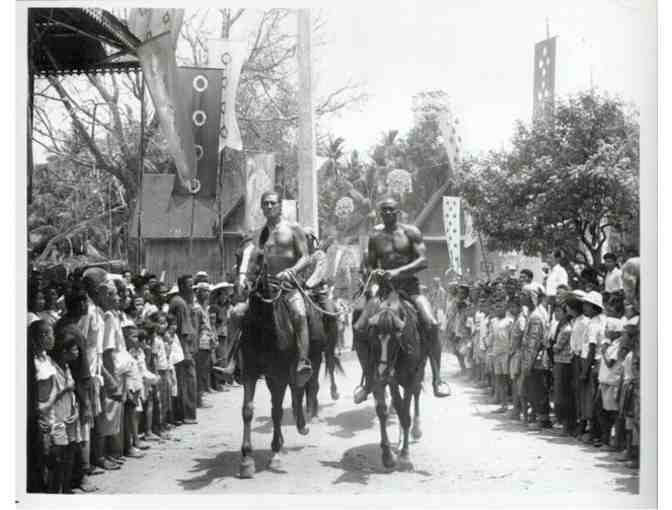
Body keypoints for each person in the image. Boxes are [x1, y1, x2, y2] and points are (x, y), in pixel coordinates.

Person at [362, 196, 451, 398]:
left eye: (391, 210)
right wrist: (373, 273)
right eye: (383, 210)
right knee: (360, 326)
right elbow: (370, 264)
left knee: (432, 324)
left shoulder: (411, 232)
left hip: (411, 291)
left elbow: (423, 260)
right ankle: (367, 380)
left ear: (398, 212)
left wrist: (398, 272)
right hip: (384, 292)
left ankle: (437, 378)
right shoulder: (375, 237)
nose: (387, 213)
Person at [258, 191, 314, 384]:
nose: (269, 207)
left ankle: (303, 361)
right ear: (261, 207)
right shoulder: (261, 233)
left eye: (272, 203)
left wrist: (291, 270)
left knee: (299, 314)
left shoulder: (293, 228)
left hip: (288, 287)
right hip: (265, 288)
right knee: (238, 314)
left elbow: (306, 257)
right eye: (265, 204)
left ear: (280, 206)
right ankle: (233, 361)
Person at [168, 275, 198, 425]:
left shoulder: (182, 302)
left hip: (184, 347)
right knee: (187, 381)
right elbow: (183, 330)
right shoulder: (180, 303)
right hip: (182, 348)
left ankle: (183, 414)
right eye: (189, 286)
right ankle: (186, 414)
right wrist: (186, 352)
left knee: (184, 381)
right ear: (182, 287)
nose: (192, 289)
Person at [519, 284, 550, 428]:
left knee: (537, 388)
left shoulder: (536, 316)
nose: (521, 297)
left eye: (524, 295)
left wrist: (527, 364)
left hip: (536, 359)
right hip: (535, 358)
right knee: (534, 388)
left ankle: (542, 418)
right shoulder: (534, 313)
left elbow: (533, 343)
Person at [193, 282, 215, 408]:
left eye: (208, 291)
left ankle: (200, 396)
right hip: (200, 344)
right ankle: (198, 399)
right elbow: (196, 328)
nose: (207, 293)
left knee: (204, 370)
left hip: (206, 342)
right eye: (205, 291)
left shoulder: (204, 307)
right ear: (199, 292)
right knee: (200, 371)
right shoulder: (197, 308)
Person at [490, 299, 513, 413]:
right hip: (496, 352)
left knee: (508, 379)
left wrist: (510, 352)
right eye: (497, 307)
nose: (499, 310)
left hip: (506, 353)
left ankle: (511, 404)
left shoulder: (509, 321)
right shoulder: (493, 321)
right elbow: (491, 337)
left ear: (505, 309)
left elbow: (512, 337)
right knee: (499, 378)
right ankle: (503, 404)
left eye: (501, 307)